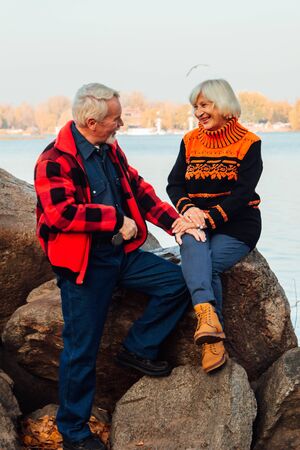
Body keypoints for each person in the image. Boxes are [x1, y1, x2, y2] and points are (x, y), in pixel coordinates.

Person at [34, 83, 199, 450]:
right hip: (84, 267)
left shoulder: (108, 149)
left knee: (180, 282)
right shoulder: (54, 160)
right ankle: (74, 434)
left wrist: (175, 223)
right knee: (81, 352)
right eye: (115, 118)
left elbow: (139, 189)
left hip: (121, 257)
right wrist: (112, 219)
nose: (120, 124)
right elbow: (60, 214)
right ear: (92, 121)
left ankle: (138, 347)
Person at [167, 78, 263, 374]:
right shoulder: (189, 140)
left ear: (223, 106)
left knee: (203, 265)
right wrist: (190, 210)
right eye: (196, 106)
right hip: (197, 220)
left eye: (205, 105)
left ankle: (210, 334)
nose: (199, 113)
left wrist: (204, 219)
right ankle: (212, 334)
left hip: (238, 224)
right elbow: (175, 184)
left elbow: (243, 193)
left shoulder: (249, 143)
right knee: (197, 253)